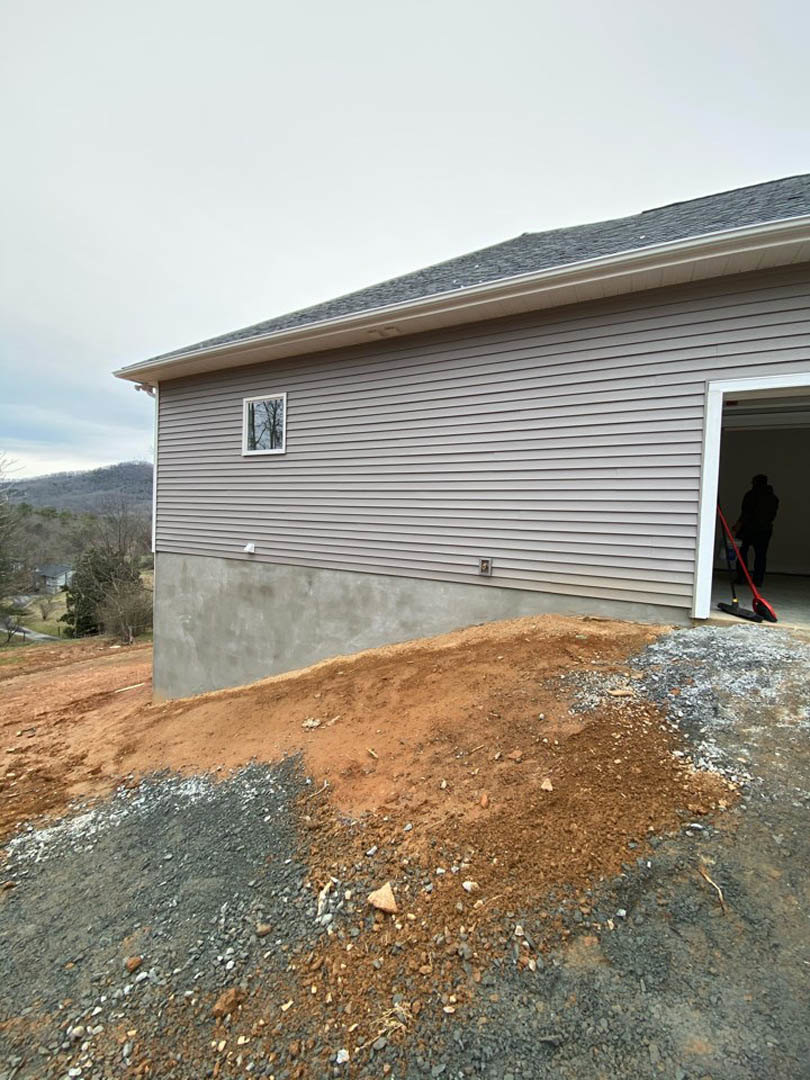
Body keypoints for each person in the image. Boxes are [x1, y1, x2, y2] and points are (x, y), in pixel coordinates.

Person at [734, 474, 779, 586]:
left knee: (742, 552)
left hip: (748, 529)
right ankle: (758, 580)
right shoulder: (773, 498)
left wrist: (738, 525)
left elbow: (745, 513)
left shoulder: (751, 495)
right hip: (765, 529)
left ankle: (741, 577)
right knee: (761, 555)